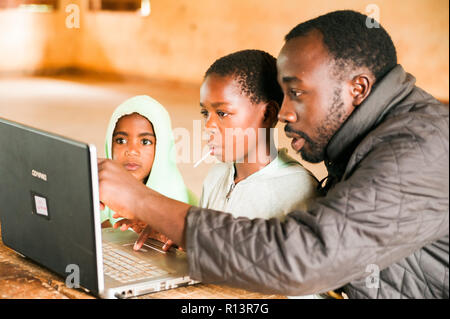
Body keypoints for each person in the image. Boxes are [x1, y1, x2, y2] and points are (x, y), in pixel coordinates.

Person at [98, 10, 449, 298]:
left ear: (357, 88)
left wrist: (139, 198)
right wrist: (182, 237)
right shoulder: (370, 139)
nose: (282, 114)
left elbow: (304, 258)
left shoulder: (420, 148)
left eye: (297, 92)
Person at [199, 49, 318, 221]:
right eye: (205, 113)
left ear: (267, 114)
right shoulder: (216, 175)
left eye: (222, 113)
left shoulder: (298, 190)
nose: (208, 125)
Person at [100, 95, 197, 249]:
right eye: (120, 140)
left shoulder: (181, 203)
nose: (132, 151)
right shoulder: (100, 194)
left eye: (145, 142)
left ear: (163, 147)